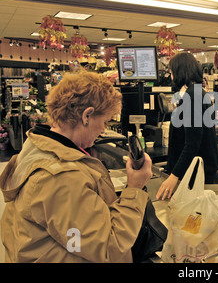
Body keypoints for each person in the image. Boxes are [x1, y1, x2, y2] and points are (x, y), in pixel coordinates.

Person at [0, 71, 153, 263]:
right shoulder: (62, 177)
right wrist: (135, 189)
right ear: (86, 115)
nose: (104, 129)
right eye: (105, 121)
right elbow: (109, 246)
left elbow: (75, 236)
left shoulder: (36, 147)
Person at [156, 52, 218, 200]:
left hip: (194, 173)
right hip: (197, 170)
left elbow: (192, 142)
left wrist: (174, 175)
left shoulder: (192, 97)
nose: (171, 77)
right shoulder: (197, 93)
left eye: (171, 72)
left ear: (179, 72)